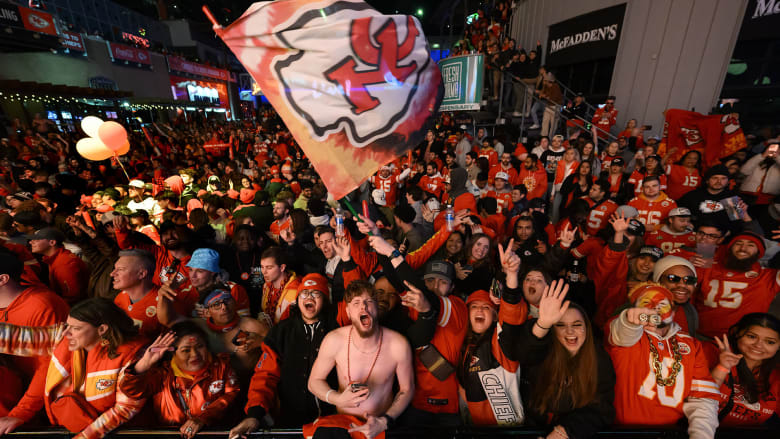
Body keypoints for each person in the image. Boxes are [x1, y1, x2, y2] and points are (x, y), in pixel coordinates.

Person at [0, 298, 147, 438]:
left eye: (75, 328)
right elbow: (18, 338)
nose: (66, 333)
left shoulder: (132, 357)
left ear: (102, 329)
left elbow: (124, 410)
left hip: (118, 434)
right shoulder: (65, 338)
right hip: (70, 428)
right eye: (67, 326)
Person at [230, 273, 339, 435]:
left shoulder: (338, 328)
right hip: (291, 423)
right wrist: (255, 414)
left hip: (332, 423)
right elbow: (265, 376)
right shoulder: (281, 331)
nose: (309, 297)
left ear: (325, 299)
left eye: (316, 293)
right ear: (298, 299)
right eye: (304, 293)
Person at [607, 284, 720, 438]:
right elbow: (622, 333)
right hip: (622, 432)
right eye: (646, 303)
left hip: (671, 433)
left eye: (662, 304)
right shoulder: (622, 328)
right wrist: (630, 320)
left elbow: (703, 397)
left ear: (673, 310)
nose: (654, 308)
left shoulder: (692, 344)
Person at [507, 279, 616, 439]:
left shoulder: (598, 359)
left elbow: (601, 410)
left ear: (587, 328)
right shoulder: (544, 350)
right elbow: (524, 353)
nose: (570, 331)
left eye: (577, 325)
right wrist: (543, 323)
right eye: (561, 325)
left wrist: (564, 432)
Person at [306, 280, 414, 438]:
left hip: (380, 424)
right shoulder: (334, 340)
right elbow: (314, 381)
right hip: (343, 425)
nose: (363, 307)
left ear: (376, 308)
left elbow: (407, 389)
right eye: (356, 302)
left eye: (369, 301)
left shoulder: (398, 344)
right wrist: (337, 399)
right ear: (348, 312)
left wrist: (384, 421)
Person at [119, 321, 239, 439]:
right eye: (186, 350)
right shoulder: (163, 375)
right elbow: (131, 391)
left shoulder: (221, 367)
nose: (194, 354)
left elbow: (232, 395)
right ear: (172, 353)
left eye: (200, 347)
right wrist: (143, 365)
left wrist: (202, 419)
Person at [0, 251, 70, 434]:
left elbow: (48, 368)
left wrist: (21, 413)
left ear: (3, 279)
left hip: (40, 409)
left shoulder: (43, 305)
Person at [694, 231, 780, 339]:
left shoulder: (767, 276)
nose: (743, 248)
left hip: (740, 341)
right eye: (738, 243)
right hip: (699, 335)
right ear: (729, 248)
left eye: (750, 245)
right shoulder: (707, 266)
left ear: (759, 252)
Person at [709, 313, 780, 427]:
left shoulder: (776, 376)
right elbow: (698, 399)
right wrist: (722, 367)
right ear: (737, 332)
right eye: (751, 336)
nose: (759, 345)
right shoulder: (710, 352)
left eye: (770, 342)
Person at [112, 249, 196, 338]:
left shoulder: (168, 302)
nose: (112, 274)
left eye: (120, 269)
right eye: (114, 269)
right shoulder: (120, 298)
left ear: (141, 274)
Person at [28, 227, 89, 305]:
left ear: (52, 242)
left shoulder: (64, 264)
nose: (31, 242)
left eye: (36, 240)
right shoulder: (54, 259)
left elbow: (73, 298)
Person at [259, 246, 300, 324]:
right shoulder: (266, 286)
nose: (264, 272)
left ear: (282, 268)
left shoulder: (295, 292)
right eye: (262, 267)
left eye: (269, 267)